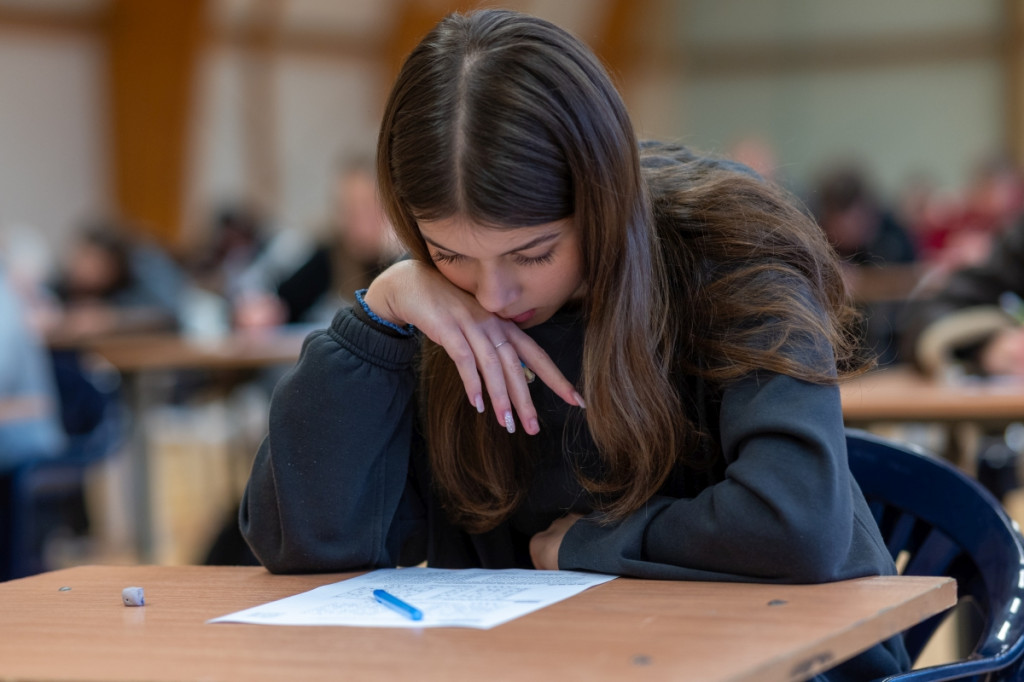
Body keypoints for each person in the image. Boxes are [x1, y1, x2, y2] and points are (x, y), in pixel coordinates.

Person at [240, 10, 908, 680]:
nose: (495, 295)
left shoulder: (733, 250)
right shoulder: (438, 312)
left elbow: (795, 522)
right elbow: (304, 544)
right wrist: (382, 315)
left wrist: (593, 545)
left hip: (796, 659)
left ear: (602, 201)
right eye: (448, 254)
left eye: (533, 253)